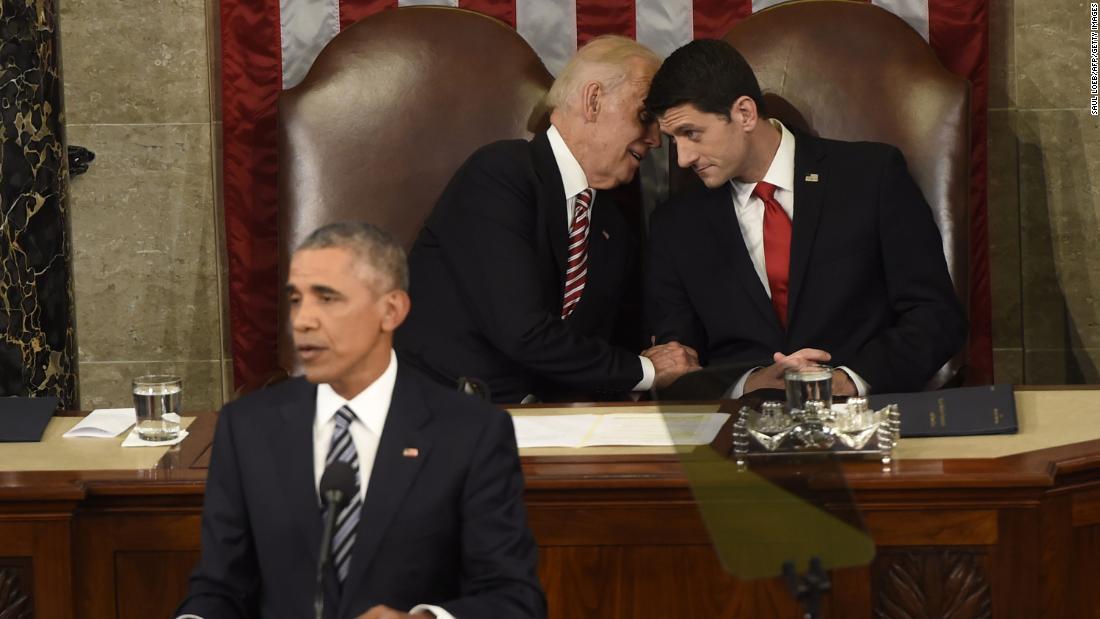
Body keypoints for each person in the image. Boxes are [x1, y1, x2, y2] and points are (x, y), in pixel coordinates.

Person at [176, 223, 545, 619]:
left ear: (391, 310)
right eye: (297, 300)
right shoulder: (247, 427)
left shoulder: (471, 432)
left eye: (327, 298)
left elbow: (514, 600)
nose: (302, 321)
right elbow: (220, 589)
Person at [643, 39, 966, 397]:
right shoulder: (675, 224)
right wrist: (747, 384)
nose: (684, 158)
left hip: (867, 418)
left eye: (691, 134)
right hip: (739, 429)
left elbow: (936, 317)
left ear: (745, 114)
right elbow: (678, 362)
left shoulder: (871, 177)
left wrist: (848, 380)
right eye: (674, 140)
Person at [396, 35, 699, 404]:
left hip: (551, 429)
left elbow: (598, 348)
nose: (655, 139)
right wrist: (648, 371)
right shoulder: (500, 174)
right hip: (443, 417)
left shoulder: (612, 227)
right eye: (645, 116)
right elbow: (522, 332)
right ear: (593, 100)